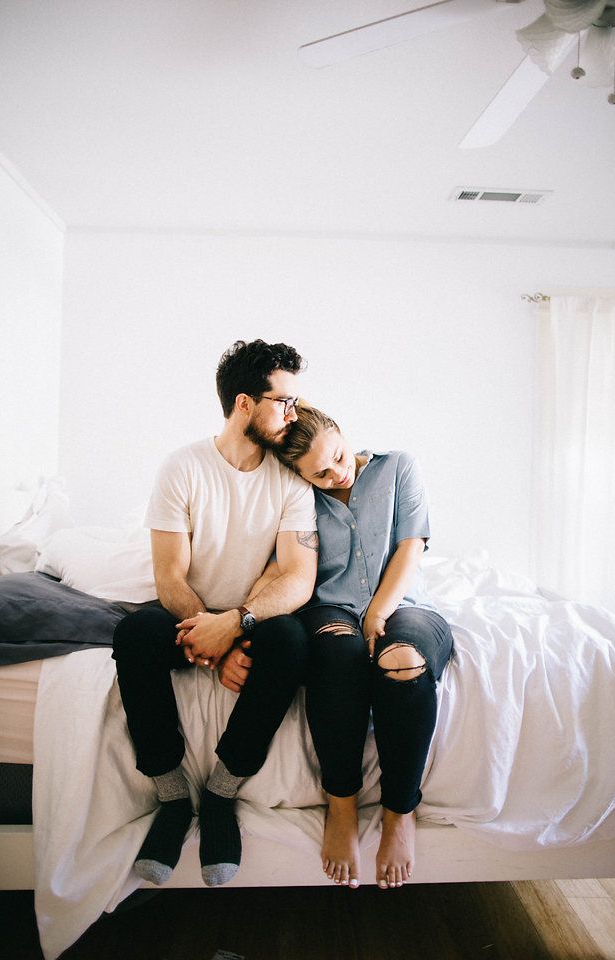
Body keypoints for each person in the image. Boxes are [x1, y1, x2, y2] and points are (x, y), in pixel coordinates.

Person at [219, 404, 454, 891]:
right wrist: (238, 629)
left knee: (403, 661)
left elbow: (410, 546)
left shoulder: (398, 467)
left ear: (343, 434)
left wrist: (378, 614)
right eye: (320, 474)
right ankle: (341, 805)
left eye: (340, 458)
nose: (337, 474)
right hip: (331, 611)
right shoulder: (297, 496)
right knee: (338, 658)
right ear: (300, 475)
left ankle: (399, 812)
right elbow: (279, 569)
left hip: (405, 604)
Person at [112, 340, 318, 888]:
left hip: (250, 618)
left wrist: (235, 626)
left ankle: (222, 793)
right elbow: (169, 578)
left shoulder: (291, 479)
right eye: (285, 402)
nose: (294, 414)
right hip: (188, 616)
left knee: (292, 642)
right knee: (134, 633)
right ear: (245, 404)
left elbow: (299, 577)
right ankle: (172, 798)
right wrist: (213, 644)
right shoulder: (182, 467)